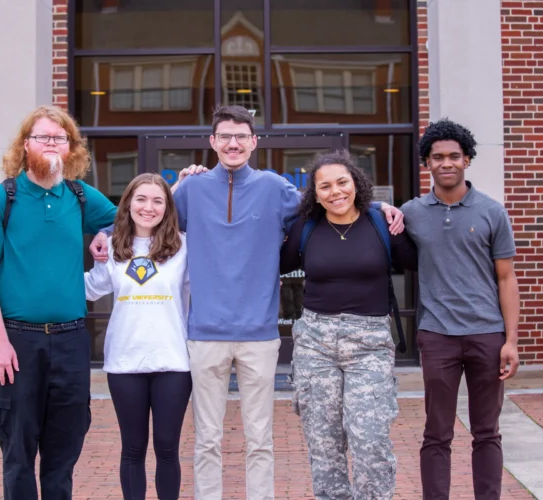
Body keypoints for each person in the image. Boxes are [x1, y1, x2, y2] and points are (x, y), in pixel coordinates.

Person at [90, 105, 404, 500]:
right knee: (206, 439)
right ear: (213, 142)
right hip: (204, 336)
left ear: (254, 142)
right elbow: (146, 216)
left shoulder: (275, 188)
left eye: (241, 136)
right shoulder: (191, 189)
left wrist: (378, 207)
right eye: (225, 136)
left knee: (260, 440)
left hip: (259, 336)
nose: (233, 143)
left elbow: (331, 201)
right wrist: (105, 232)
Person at [0, 105, 118, 500]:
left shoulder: (80, 196)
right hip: (18, 342)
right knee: (18, 451)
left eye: (60, 138)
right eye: (43, 137)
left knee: (64, 449)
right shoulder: (2, 199)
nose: (52, 144)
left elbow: (131, 219)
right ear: (25, 145)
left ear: (71, 149)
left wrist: (103, 231)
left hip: (71, 341)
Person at [280, 149, 417, 499]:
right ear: (314, 192)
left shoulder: (380, 222)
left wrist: (392, 212)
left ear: (356, 183)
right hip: (315, 344)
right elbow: (276, 265)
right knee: (325, 447)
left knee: (370, 440)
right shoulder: (305, 227)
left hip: (369, 344)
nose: (335, 191)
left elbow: (415, 261)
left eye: (342, 182)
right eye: (324, 186)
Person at [402, 119, 520, 500]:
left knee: (487, 430)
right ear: (427, 163)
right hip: (437, 336)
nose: (446, 163)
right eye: (437, 157)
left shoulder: (491, 211)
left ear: (467, 159)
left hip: (487, 334)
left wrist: (511, 340)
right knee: (436, 432)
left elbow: (506, 279)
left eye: (454, 156)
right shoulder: (411, 213)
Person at [84, 173, 191, 500]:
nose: (149, 207)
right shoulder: (113, 246)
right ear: (128, 203)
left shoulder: (185, 246)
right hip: (124, 362)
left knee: (167, 448)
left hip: (172, 361)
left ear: (167, 207)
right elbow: (89, 289)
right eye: (141, 199)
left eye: (158, 200)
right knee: (132, 448)